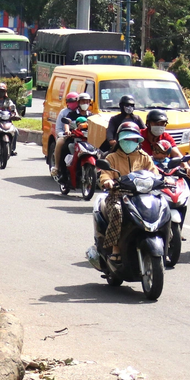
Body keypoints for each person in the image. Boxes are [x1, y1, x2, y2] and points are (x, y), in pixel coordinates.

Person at [98, 122, 161, 264]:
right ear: (120, 140)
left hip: (142, 195)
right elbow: (105, 175)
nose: (130, 142)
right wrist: (108, 181)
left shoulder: (144, 157)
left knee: (161, 206)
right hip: (118, 195)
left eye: (133, 139)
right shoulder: (111, 158)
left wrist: (162, 181)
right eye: (126, 139)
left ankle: (165, 240)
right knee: (117, 211)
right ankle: (115, 248)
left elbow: (154, 174)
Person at [52, 92, 90, 177]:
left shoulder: (90, 114)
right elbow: (66, 124)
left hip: (86, 137)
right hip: (72, 136)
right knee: (63, 145)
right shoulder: (69, 113)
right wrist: (67, 131)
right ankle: (58, 168)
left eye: (86, 102)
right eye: (83, 102)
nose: (85, 104)